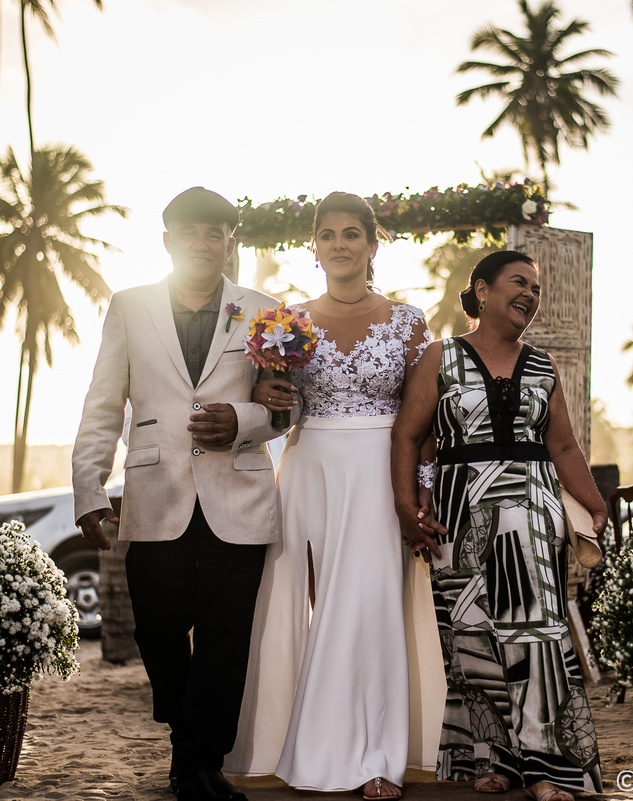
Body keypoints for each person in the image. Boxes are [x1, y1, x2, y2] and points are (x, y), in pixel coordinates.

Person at [71, 188, 289, 801]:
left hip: (239, 498)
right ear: (167, 241)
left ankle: (198, 764)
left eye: (215, 231)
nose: (202, 241)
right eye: (190, 232)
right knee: (158, 629)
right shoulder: (129, 306)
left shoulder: (266, 310)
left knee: (226, 633)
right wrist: (89, 486)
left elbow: (283, 410)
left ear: (229, 241)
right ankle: (188, 736)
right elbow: (104, 400)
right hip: (153, 492)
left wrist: (242, 421)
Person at [227, 192, 442, 798]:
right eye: (328, 235)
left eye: (353, 234)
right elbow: (274, 402)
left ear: (373, 245)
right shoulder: (286, 321)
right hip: (309, 464)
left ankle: (375, 756)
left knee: (368, 604)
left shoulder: (408, 320)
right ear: (315, 247)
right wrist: (273, 393)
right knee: (310, 602)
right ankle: (300, 747)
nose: (340, 244)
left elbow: (421, 419)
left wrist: (420, 495)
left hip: (382, 467)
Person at [392, 251, 606, 801]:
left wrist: (592, 502)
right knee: (470, 638)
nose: (531, 295)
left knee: (536, 634)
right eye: (519, 283)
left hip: (532, 513)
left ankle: (546, 769)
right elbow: (408, 435)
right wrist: (404, 504)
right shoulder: (440, 357)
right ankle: (491, 759)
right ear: (482, 291)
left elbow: (561, 444)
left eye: (536, 288)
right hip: (458, 514)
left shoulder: (542, 365)